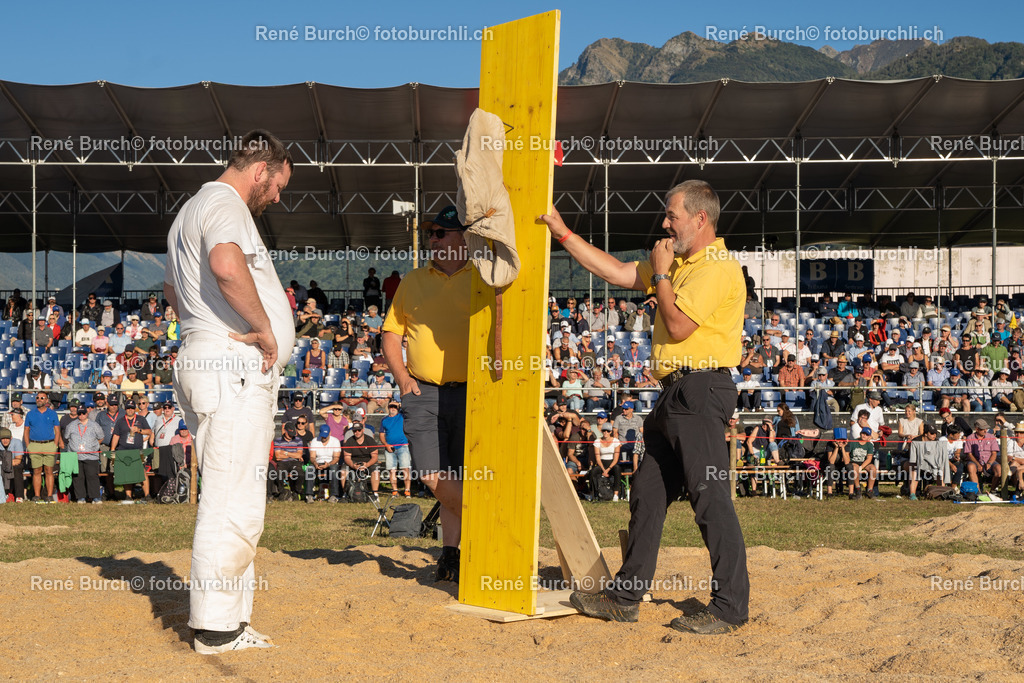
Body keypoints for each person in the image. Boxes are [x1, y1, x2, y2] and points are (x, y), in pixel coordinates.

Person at [543, 179, 748, 634]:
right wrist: (562, 232)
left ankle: (730, 608)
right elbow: (616, 272)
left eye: (672, 215)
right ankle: (625, 597)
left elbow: (676, 328)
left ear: (700, 218)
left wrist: (659, 274)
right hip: (675, 392)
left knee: (710, 499)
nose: (664, 222)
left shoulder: (715, 267)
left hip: (701, 388)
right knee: (647, 495)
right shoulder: (681, 262)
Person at [164, 129, 294, 654]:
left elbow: (173, 289)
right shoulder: (225, 202)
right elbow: (224, 264)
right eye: (279, 184)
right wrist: (263, 328)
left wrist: (201, 329)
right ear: (260, 170)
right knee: (232, 495)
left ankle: (229, 622)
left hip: (207, 357)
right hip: (231, 364)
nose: (278, 197)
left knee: (232, 487)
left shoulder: (189, 209)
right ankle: (217, 628)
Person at [382, 204, 470, 584]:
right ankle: (488, 525)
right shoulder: (414, 279)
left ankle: (451, 553)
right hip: (422, 390)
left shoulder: (485, 277)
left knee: (460, 475)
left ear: (463, 238)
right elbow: (390, 333)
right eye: (431, 233)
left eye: (440, 232)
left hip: (472, 393)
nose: (432, 239)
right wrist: (401, 377)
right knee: (431, 474)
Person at [24, 391, 63, 502]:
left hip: (49, 445)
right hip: (34, 445)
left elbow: (57, 430)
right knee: (36, 471)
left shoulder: (52, 414)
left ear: (46, 400)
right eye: (37, 398)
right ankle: (37, 496)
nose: (39, 399)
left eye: (42, 398)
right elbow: (26, 430)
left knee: (49, 471)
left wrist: (55, 445)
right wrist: (28, 445)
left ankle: (49, 496)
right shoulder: (30, 414)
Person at [65, 405, 106, 504]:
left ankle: (95, 497)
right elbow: (66, 437)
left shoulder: (94, 425)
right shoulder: (71, 425)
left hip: (91, 456)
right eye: (79, 413)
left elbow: (101, 437)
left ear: (87, 413)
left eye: (83, 413)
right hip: (76, 456)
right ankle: (80, 497)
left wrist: (94, 445)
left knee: (92, 476)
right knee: (78, 477)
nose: (82, 415)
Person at [379, 401, 412, 498]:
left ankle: (407, 491)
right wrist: (386, 445)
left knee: (406, 468)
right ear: (388, 407)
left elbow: (408, 410)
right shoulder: (384, 420)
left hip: (403, 446)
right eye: (391, 406)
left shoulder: (402, 416)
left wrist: (400, 405)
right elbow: (381, 434)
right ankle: (394, 491)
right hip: (390, 448)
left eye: (395, 407)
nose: (393, 408)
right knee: (392, 470)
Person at [342, 420, 380, 499]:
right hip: (353, 462)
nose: (357, 432)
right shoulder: (349, 441)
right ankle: (345, 493)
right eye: (355, 430)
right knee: (343, 471)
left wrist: (367, 465)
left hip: (368, 462)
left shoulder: (370, 440)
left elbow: (375, 457)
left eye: (359, 430)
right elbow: (347, 457)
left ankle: (375, 494)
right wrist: (353, 465)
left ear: (363, 430)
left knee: (376, 471)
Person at [306, 425, 342, 503]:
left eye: (326, 436)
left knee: (334, 469)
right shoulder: (315, 441)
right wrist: (315, 463)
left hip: (331, 462)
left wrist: (328, 464)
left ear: (330, 433)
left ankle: (334, 495)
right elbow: (312, 457)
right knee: (310, 469)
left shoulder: (335, 441)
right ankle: (309, 495)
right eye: (323, 436)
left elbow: (336, 458)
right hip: (318, 462)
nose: (324, 438)